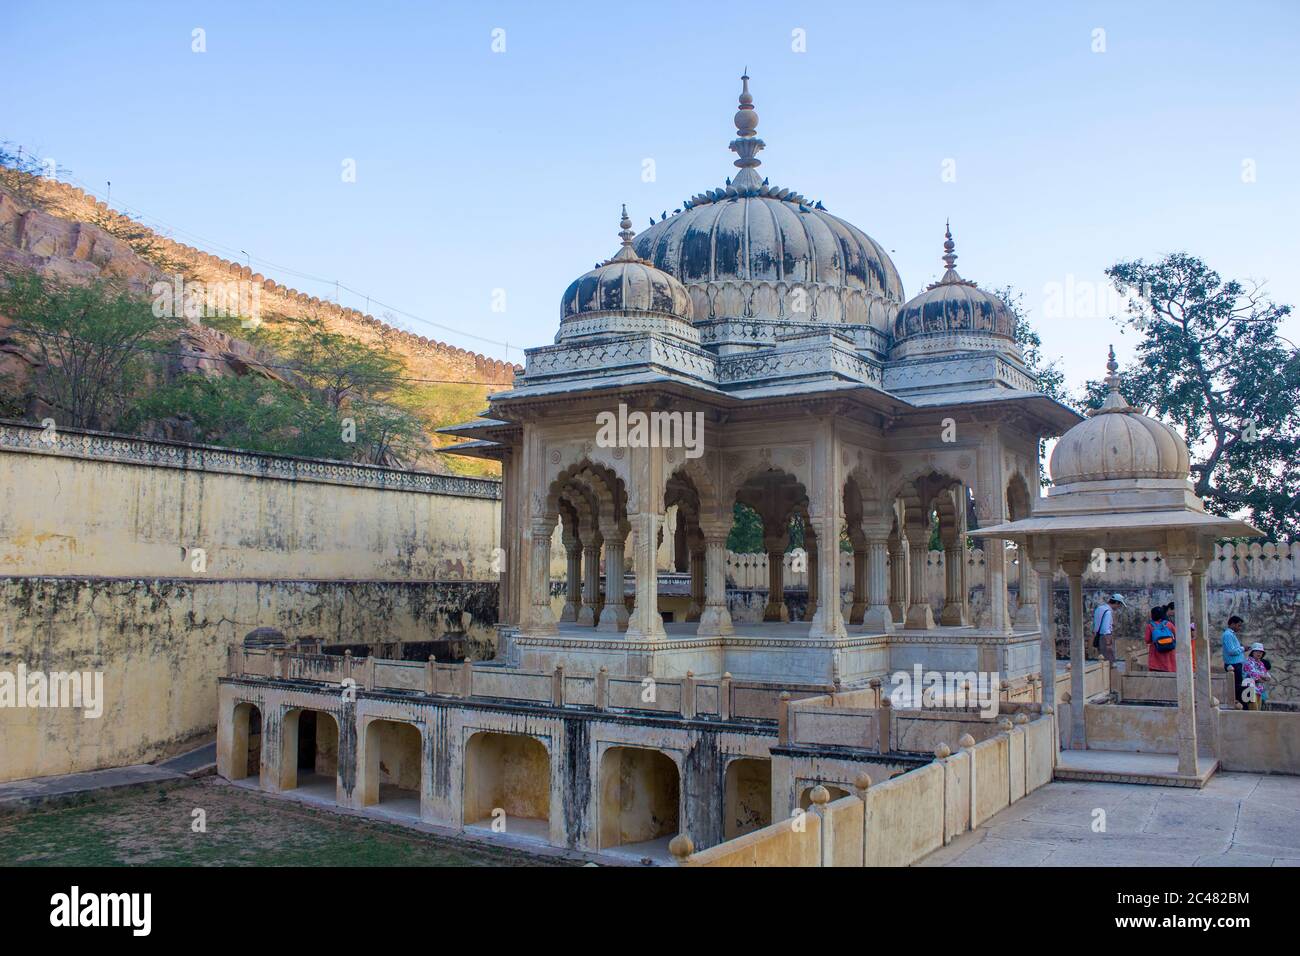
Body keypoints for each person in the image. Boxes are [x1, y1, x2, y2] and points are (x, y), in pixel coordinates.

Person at [1092, 594, 1125, 663]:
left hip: (1098, 636)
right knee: (1110, 661)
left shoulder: (1099, 608)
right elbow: (1105, 629)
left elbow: (1095, 624)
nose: (1119, 607)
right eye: (1120, 605)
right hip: (1105, 638)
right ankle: (1112, 673)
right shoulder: (1108, 612)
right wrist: (1108, 643)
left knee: (1102, 660)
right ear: (1116, 602)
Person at [1144, 605, 1177, 672]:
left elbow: (1147, 640)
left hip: (1156, 653)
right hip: (1169, 652)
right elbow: (1177, 635)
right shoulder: (1169, 624)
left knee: (1156, 673)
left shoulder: (1150, 626)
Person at [1222, 615, 1246, 704]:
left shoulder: (1230, 634)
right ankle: (1237, 703)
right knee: (1237, 686)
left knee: (1238, 685)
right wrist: (1243, 648)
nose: (1240, 628)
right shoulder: (1228, 635)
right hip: (1233, 664)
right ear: (1232, 624)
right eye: (1238, 625)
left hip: (1236, 664)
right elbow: (1231, 651)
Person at [1164, 602, 1196, 668]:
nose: (1174, 613)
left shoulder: (1169, 619)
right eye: (1174, 611)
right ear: (1170, 609)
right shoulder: (1166, 620)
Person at [1242, 642, 1271, 708]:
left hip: (1259, 690)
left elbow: (1268, 676)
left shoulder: (1261, 663)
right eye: (1257, 651)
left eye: (1261, 652)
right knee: (1253, 712)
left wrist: (1261, 677)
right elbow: (1254, 676)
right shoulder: (1248, 662)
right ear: (1252, 652)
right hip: (1250, 690)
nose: (1259, 653)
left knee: (1258, 712)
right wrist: (1262, 677)